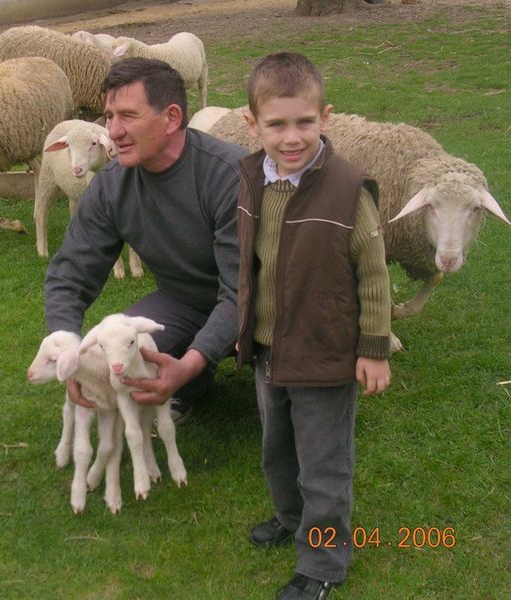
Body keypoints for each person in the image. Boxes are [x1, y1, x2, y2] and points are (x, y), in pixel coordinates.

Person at [236, 52, 392, 599]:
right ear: (253, 124)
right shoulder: (251, 179)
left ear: (325, 117)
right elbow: (250, 261)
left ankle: (323, 562)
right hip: (269, 349)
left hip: (324, 351)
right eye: (276, 124)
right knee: (278, 449)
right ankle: (292, 518)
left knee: (323, 464)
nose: (292, 137)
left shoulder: (347, 191)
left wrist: (374, 348)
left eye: (304, 122)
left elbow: (374, 274)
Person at [44, 58, 248, 420]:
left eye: (128, 116)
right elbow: (69, 275)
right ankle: (193, 381)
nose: (113, 131)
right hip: (182, 301)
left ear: (171, 118)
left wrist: (190, 363)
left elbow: (240, 291)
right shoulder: (111, 185)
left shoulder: (229, 176)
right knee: (106, 357)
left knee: (288, 376)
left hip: (261, 304)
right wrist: (67, 349)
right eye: (110, 116)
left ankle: (254, 372)